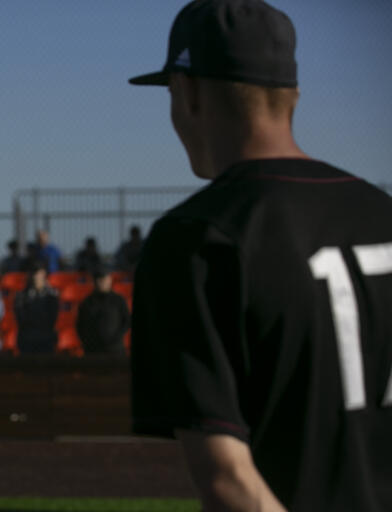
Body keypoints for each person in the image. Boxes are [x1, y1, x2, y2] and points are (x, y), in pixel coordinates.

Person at [128, 1, 392, 510]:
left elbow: (229, 481)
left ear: (187, 92)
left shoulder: (195, 239)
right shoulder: (383, 211)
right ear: (292, 95)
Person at [75, 266, 129, 355]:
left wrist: (116, 338)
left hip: (115, 349)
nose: (101, 283)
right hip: (93, 350)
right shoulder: (87, 302)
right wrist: (87, 341)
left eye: (104, 279)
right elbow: (80, 324)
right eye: (98, 280)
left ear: (110, 280)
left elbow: (126, 321)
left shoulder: (118, 300)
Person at [13, 261, 58, 354]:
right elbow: (21, 320)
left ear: (44, 274)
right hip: (27, 337)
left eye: (38, 272)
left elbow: (52, 319)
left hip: (45, 337)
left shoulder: (52, 296)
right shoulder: (21, 296)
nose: (35, 276)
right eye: (33, 272)